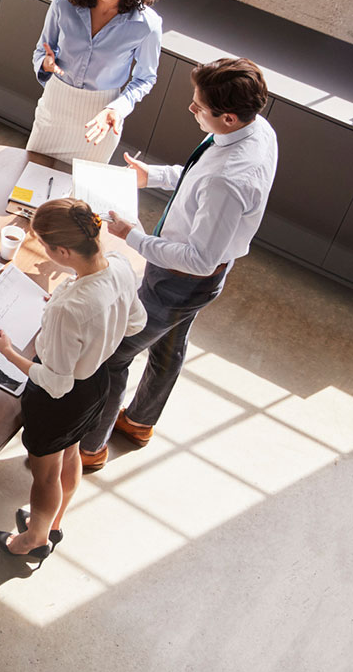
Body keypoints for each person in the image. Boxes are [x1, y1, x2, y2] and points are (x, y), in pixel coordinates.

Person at [79, 57, 279, 471]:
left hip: (180, 280)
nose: (191, 109)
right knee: (169, 343)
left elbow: (201, 259)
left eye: (198, 107)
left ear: (226, 117)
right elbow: (197, 177)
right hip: (190, 280)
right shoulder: (256, 128)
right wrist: (150, 176)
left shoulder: (230, 180)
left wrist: (133, 236)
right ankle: (138, 422)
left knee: (114, 355)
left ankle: (91, 447)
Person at [0, 199, 145, 559]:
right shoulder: (119, 267)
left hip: (60, 399)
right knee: (70, 453)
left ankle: (33, 540)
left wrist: (9, 353)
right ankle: (54, 523)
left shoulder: (67, 310)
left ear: (61, 250)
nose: (41, 248)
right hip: (96, 385)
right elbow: (136, 322)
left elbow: (56, 383)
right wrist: (93, 332)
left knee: (45, 475)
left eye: (42, 243)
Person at [26, 0, 162, 164]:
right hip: (55, 107)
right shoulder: (64, 3)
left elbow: (145, 79)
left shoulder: (146, 25)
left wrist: (117, 109)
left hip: (100, 118)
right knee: (27, 187)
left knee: (76, 197)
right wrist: (46, 64)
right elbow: (42, 50)